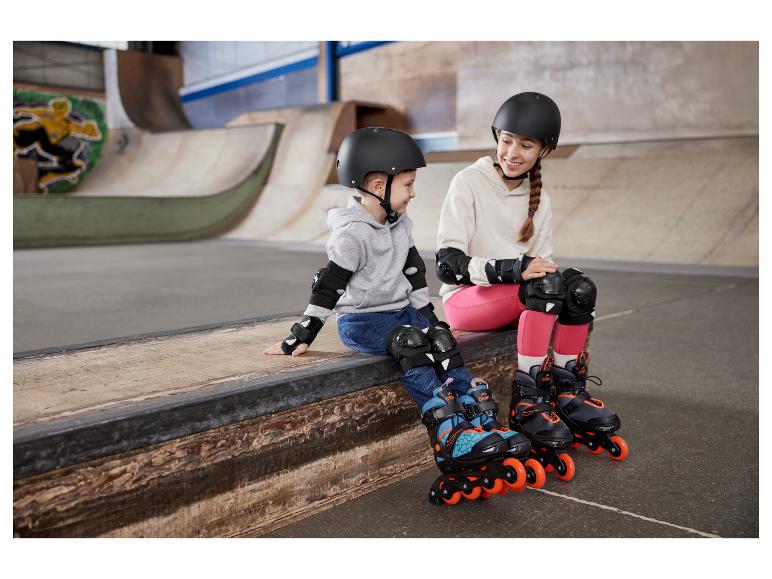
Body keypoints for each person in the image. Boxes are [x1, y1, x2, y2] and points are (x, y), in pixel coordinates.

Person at [265, 127, 541, 504]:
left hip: (403, 311)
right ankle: (447, 434)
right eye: (408, 184)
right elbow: (328, 287)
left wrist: (430, 316)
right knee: (411, 343)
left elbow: (413, 274)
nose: (413, 192)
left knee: (442, 339)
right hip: (363, 322)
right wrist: (300, 335)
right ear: (379, 184)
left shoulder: (400, 225)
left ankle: (476, 421)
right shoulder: (351, 236)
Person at [435, 93, 629, 482]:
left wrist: (535, 275)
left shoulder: (540, 201)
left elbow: (545, 271)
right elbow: (448, 266)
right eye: (506, 140)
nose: (512, 152)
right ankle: (528, 403)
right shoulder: (468, 183)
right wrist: (514, 269)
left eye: (525, 145)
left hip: (516, 302)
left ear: (545, 150)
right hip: (467, 302)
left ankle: (566, 391)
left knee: (578, 289)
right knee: (541, 287)